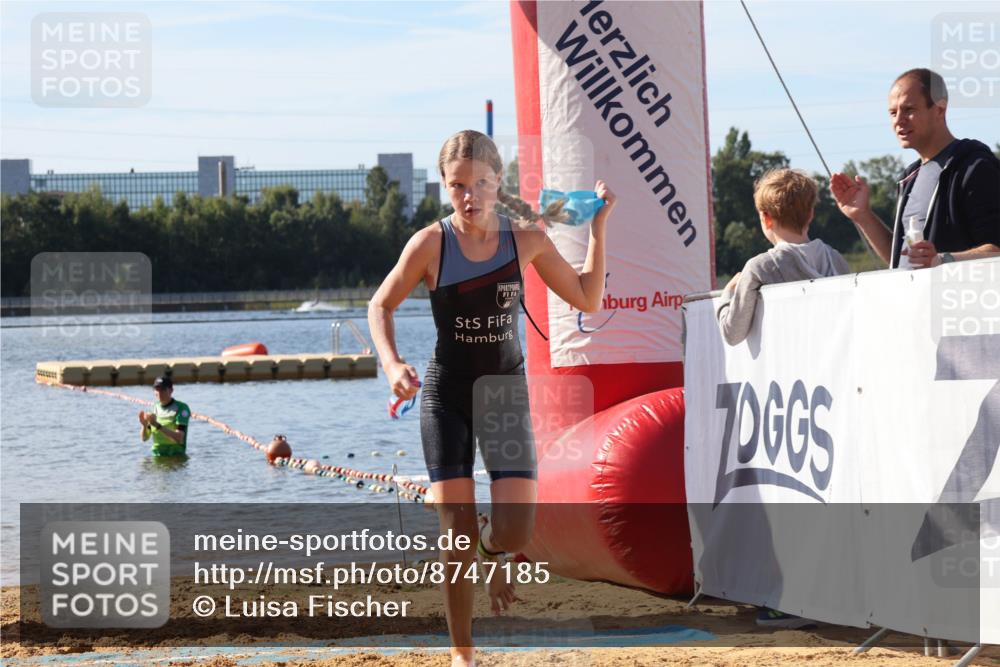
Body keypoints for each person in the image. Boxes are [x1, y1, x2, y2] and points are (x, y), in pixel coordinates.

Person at [368, 129, 615, 667]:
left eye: (480, 183)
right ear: (445, 187)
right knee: (453, 531)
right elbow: (379, 306)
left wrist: (598, 225)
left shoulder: (525, 238)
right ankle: (463, 653)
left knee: (515, 530)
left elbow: (588, 298)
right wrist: (391, 363)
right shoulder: (430, 244)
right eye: (458, 186)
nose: (469, 196)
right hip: (447, 395)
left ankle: (491, 545)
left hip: (504, 395)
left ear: (498, 183)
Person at [830, 68, 1000, 270]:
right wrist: (863, 216)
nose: (898, 121)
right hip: (913, 301)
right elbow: (904, 260)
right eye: (893, 112)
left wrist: (943, 261)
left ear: (939, 110)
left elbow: (995, 249)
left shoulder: (974, 167)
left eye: (909, 110)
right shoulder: (909, 178)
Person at [718, 168, 849, 346]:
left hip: (789, 370)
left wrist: (728, 295)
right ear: (810, 215)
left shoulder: (759, 267)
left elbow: (732, 334)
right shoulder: (835, 259)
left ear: (766, 219)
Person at [138, 376, 191, 457]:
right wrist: (144, 425)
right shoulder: (154, 408)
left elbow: (179, 438)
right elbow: (144, 439)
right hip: (157, 457)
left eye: (163, 389)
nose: (159, 393)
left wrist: (156, 425)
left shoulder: (182, 408)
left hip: (176, 457)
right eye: (157, 389)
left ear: (171, 390)